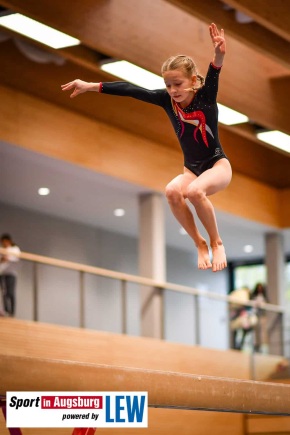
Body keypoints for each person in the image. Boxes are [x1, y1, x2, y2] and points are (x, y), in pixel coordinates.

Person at [62, 23, 232, 272]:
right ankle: (200, 243)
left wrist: (219, 53)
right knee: (172, 192)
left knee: (195, 192)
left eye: (178, 84)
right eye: (168, 85)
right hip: (191, 170)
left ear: (193, 80)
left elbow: (215, 68)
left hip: (217, 165)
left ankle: (217, 243)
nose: (173, 90)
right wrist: (91, 86)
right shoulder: (166, 100)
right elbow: (131, 90)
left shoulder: (205, 96)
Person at [0, 234, 21, 316]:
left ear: (8, 240)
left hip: (11, 274)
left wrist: (6, 258)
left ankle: (11, 312)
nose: (3, 243)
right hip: (2, 273)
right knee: (4, 292)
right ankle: (5, 311)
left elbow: (14, 259)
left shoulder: (15, 249)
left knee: (10, 293)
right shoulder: (3, 249)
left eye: (4, 241)